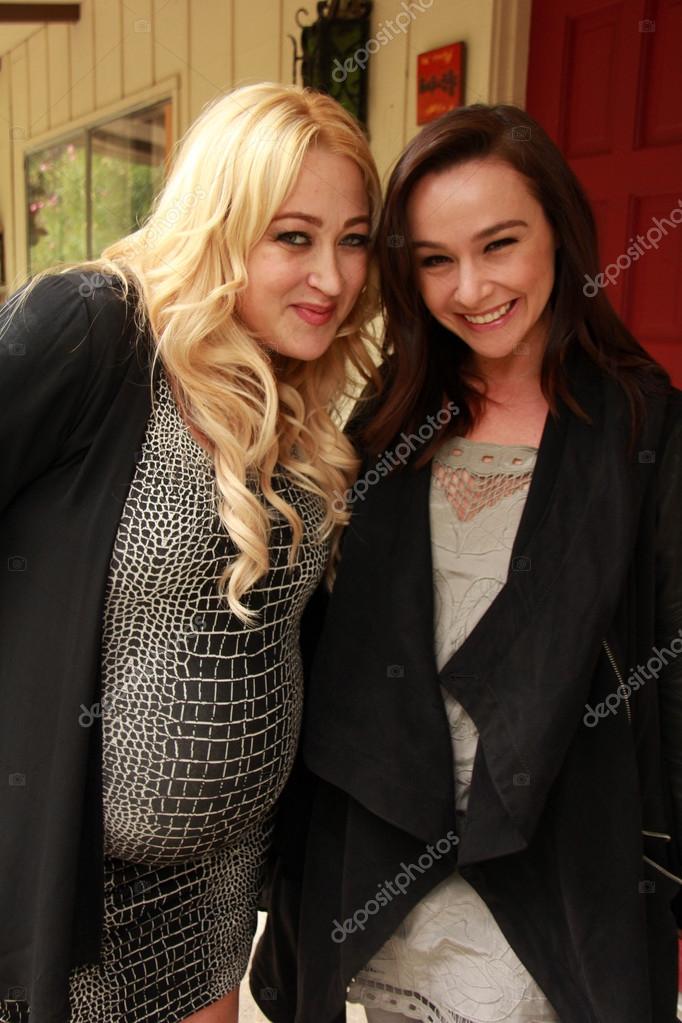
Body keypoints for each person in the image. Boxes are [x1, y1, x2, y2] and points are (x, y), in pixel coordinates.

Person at [250, 103, 682, 1023]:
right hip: (393, 881)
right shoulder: (388, 420)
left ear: (559, 232)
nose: (471, 288)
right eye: (435, 260)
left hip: (559, 885)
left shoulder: (645, 431)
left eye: (499, 244)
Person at [0, 81, 381, 1023]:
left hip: (220, 880)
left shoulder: (294, 384)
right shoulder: (96, 327)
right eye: (293, 236)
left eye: (353, 239)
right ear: (221, 223)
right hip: (77, 888)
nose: (331, 278)